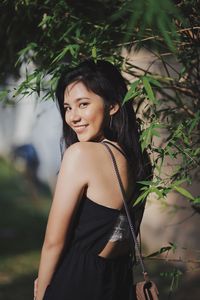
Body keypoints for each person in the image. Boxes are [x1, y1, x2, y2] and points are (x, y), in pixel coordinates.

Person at [34, 59, 152, 300]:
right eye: (67, 107)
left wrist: (41, 294)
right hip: (118, 278)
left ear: (113, 106)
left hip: (79, 280)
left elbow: (53, 242)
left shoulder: (81, 155)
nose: (72, 117)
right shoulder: (138, 158)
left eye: (83, 104)